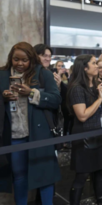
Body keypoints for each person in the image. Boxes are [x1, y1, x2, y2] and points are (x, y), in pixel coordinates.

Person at [0, 42, 61, 205]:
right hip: (13, 136)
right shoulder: (2, 75)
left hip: (38, 134)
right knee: (19, 177)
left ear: (31, 59)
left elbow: (56, 100)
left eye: (24, 60)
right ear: (10, 59)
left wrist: (32, 93)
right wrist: (3, 98)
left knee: (45, 176)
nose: (20, 63)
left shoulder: (43, 74)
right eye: (16, 59)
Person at [67, 54, 102, 205]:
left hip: (99, 133)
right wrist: (99, 99)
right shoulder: (77, 89)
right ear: (84, 68)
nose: (97, 66)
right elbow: (82, 116)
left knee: (100, 173)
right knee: (82, 175)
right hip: (84, 136)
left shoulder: (97, 85)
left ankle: (101, 201)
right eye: (94, 63)